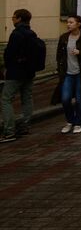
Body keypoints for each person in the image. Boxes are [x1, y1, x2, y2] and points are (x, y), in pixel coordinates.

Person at [1, 9, 39, 142]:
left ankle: (9, 131)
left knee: (6, 99)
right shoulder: (32, 33)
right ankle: (25, 126)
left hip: (15, 72)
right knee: (27, 98)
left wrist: (6, 67)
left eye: (13, 17)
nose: (12, 19)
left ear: (18, 19)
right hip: (29, 72)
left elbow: (9, 54)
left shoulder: (16, 34)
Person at [56, 15, 81, 135]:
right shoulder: (64, 37)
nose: (68, 24)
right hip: (67, 73)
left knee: (80, 100)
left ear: (78, 24)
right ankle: (70, 121)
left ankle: (78, 123)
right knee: (65, 99)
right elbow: (59, 55)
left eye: (71, 22)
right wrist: (60, 69)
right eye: (67, 22)